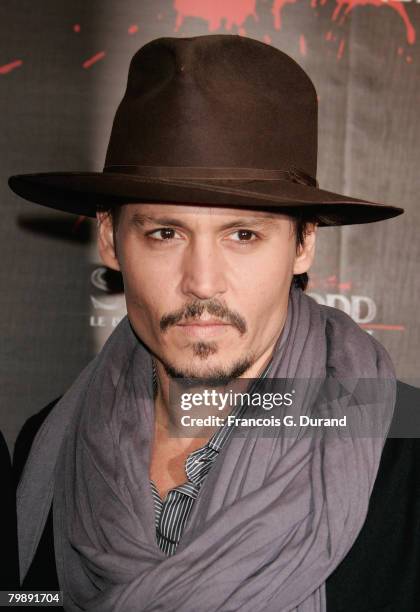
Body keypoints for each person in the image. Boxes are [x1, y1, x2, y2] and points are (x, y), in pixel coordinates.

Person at [9, 35, 420, 611]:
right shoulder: (48, 445)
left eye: (243, 235)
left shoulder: (404, 448)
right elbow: (27, 600)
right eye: (164, 233)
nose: (202, 281)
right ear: (109, 239)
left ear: (303, 245)